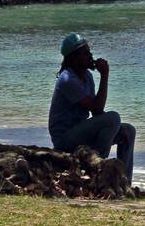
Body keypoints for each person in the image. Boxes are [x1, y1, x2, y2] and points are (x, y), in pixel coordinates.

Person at [48, 32, 135, 183]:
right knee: (113, 117)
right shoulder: (68, 80)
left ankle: (125, 182)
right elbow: (97, 108)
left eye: (89, 52)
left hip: (80, 132)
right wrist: (105, 75)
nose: (90, 55)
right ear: (74, 58)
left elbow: (97, 112)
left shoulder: (87, 76)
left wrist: (115, 128)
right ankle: (99, 168)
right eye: (85, 53)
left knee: (128, 130)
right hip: (65, 138)